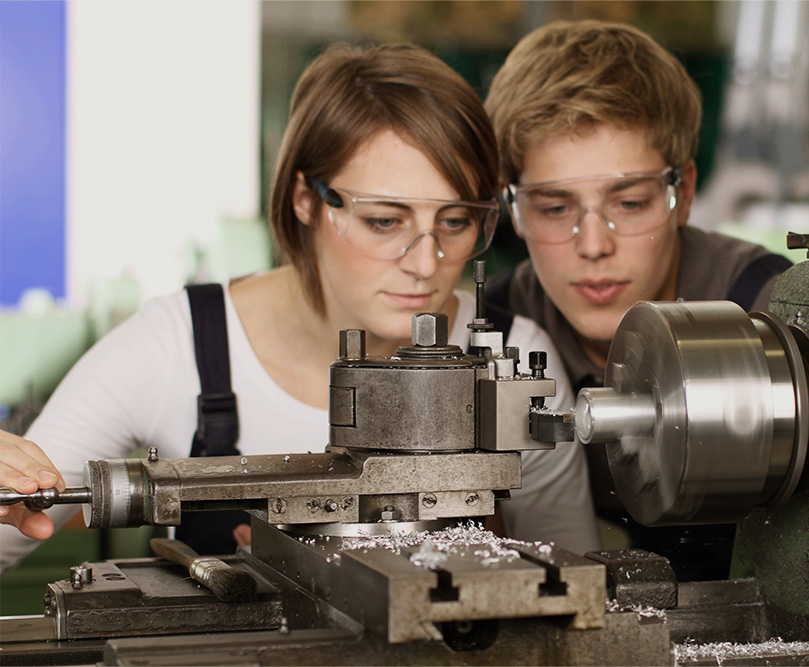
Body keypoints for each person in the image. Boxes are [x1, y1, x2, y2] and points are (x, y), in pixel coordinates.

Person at [0, 42, 599, 572]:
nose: (425, 261)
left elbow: (574, 585)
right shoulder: (176, 347)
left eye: (456, 220)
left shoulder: (516, 360)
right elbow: (19, 521)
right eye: (385, 221)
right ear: (305, 200)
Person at [484, 20, 792, 581]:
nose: (595, 245)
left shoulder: (771, 312)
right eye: (555, 208)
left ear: (685, 193)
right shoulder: (497, 336)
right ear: (513, 210)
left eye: (628, 202)